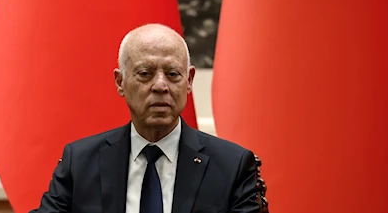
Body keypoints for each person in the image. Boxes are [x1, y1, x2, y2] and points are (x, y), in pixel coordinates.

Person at [30, 24, 267, 213]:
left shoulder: (232, 166)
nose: (161, 85)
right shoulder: (81, 163)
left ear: (189, 81)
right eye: (145, 74)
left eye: (173, 74)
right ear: (120, 82)